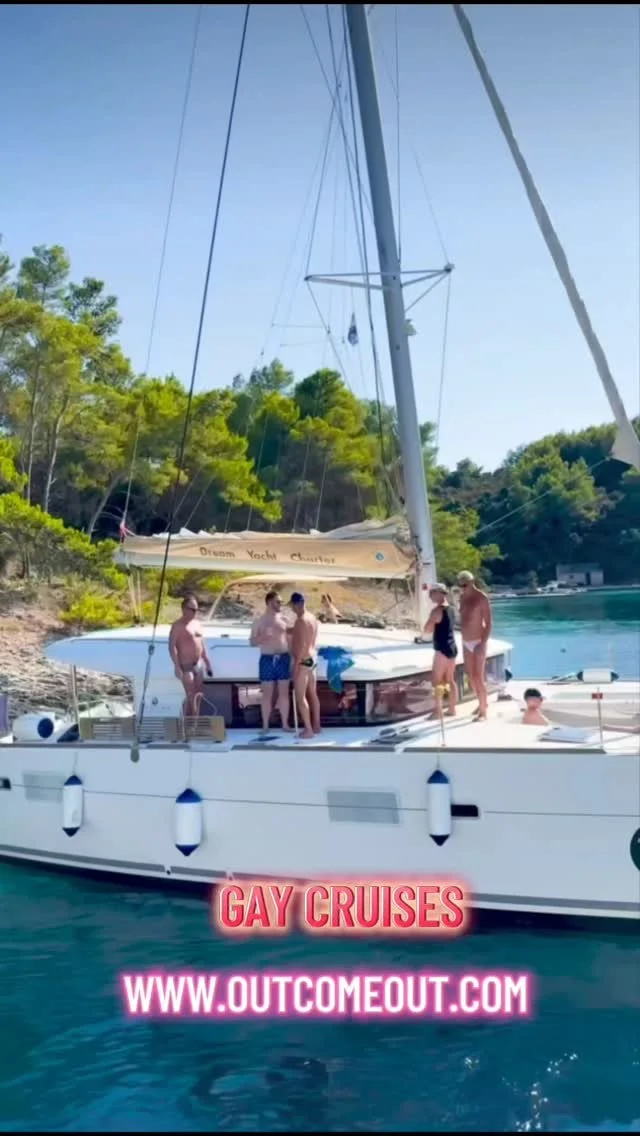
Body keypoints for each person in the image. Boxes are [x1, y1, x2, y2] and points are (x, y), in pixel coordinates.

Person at [249, 591, 293, 733]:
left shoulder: (285, 620)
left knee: (284, 693)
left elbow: (291, 640)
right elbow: (252, 642)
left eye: (281, 602)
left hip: (283, 658)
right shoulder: (259, 621)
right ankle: (265, 726)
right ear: (269, 602)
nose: (280, 604)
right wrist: (262, 637)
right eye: (277, 602)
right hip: (267, 658)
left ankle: (285, 724)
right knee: (267, 694)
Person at [168, 593, 213, 717]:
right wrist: (177, 666)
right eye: (192, 610)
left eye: (197, 610)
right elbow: (171, 646)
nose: (195, 612)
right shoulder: (177, 626)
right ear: (184, 609)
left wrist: (207, 662)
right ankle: (190, 723)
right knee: (190, 695)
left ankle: (194, 721)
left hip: (198, 664)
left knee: (198, 694)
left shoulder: (197, 624)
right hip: (186, 666)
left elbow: (201, 644)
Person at [457, 569, 492, 720]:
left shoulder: (481, 598)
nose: (462, 588)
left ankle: (483, 712)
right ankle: (482, 702)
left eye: (465, 585)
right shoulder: (462, 598)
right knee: (470, 677)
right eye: (460, 585)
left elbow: (489, 623)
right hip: (466, 641)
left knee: (478, 677)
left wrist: (482, 643)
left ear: (471, 582)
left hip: (478, 641)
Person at [289, 592, 320, 739]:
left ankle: (308, 730)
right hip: (312, 658)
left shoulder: (300, 620)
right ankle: (317, 725)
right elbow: (306, 635)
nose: (291, 609)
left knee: (300, 697)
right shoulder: (312, 618)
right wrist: (286, 629)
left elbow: (302, 645)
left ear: (296, 605)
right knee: (312, 694)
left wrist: (296, 666)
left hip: (303, 660)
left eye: (292, 605)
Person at [423, 583, 457, 718]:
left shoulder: (437, 611)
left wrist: (431, 621)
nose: (430, 596)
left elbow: (427, 629)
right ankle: (452, 709)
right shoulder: (451, 609)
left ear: (439, 593)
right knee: (450, 680)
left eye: (431, 593)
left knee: (437, 681)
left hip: (441, 649)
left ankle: (438, 712)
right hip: (452, 647)